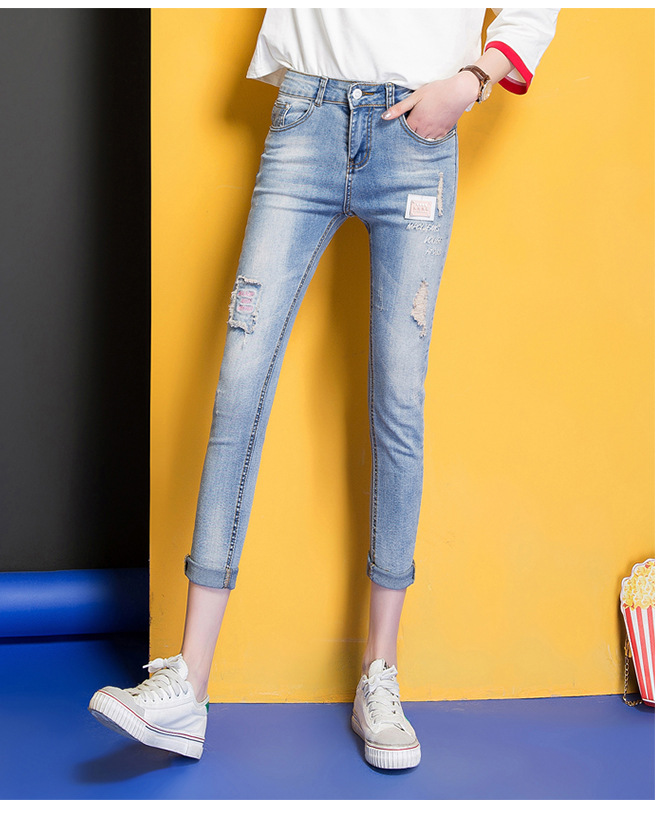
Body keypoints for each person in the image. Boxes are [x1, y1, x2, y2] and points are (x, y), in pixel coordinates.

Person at [89, 8, 559, 770]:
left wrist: (472, 82)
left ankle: (380, 674)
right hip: (305, 116)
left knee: (397, 401)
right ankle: (187, 686)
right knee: (240, 385)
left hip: (418, 133)